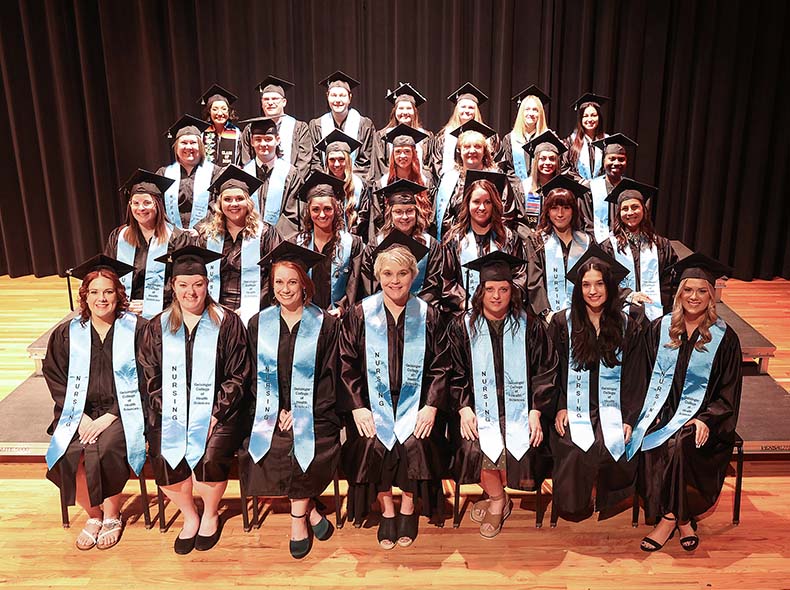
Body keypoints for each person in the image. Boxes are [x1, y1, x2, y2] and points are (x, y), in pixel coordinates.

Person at [338, 235, 450, 548]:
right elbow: (346, 364)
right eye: (387, 274)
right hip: (373, 403)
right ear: (378, 277)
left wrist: (430, 406)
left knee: (416, 440)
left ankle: (409, 507)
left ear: (414, 275)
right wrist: (358, 406)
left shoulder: (429, 315)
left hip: (416, 404)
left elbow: (442, 366)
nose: (394, 280)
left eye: (402, 273)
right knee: (371, 440)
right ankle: (387, 508)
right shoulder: (360, 314)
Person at [140, 246, 251, 554]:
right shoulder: (156, 328)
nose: (191, 291)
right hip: (171, 414)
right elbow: (150, 380)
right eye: (183, 284)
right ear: (173, 287)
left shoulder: (226, 322)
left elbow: (238, 375)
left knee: (212, 453)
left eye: (198, 284)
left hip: (222, 413)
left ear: (207, 284)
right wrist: (175, 413)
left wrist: (214, 413)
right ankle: (190, 515)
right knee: (163, 453)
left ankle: (211, 514)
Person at [627, 253, 741, 552]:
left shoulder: (724, 337)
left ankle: (668, 519)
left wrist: (707, 418)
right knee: (654, 437)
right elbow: (641, 377)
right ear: (679, 294)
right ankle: (684, 519)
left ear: (711, 295)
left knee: (681, 443)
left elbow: (728, 392)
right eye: (688, 290)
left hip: (704, 418)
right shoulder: (660, 329)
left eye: (702, 290)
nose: (694, 297)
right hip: (662, 409)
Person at [238, 242, 341, 559]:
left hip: (317, 412)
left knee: (302, 441)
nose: (285, 289)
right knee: (270, 443)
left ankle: (298, 520)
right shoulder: (259, 323)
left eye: (292, 282)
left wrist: (300, 411)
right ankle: (310, 512)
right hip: (270, 409)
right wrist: (276, 409)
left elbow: (330, 377)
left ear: (305, 284)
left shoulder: (326, 324)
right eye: (279, 282)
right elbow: (254, 375)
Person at [448, 251, 558, 538]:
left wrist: (536, 410)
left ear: (513, 291)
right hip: (478, 408)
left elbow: (546, 370)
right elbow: (454, 372)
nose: (497, 296)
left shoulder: (530, 325)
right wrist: (463, 408)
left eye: (504, 289)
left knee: (519, 439)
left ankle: (499, 497)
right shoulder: (462, 326)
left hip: (521, 408)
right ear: (480, 291)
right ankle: (498, 499)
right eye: (490, 289)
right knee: (473, 444)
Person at [43, 255, 146, 551]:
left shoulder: (138, 329)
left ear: (119, 295)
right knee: (68, 450)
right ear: (84, 296)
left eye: (108, 292)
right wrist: (79, 416)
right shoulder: (67, 334)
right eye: (95, 292)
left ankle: (112, 516)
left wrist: (111, 415)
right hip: (78, 412)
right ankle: (94, 515)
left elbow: (149, 375)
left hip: (124, 412)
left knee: (108, 447)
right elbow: (54, 375)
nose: (102, 299)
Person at [548, 246, 649, 522]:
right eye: (586, 285)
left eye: (599, 284)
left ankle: (606, 498)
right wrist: (559, 407)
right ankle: (575, 504)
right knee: (571, 444)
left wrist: (628, 416)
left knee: (612, 443)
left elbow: (635, 375)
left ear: (610, 286)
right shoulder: (562, 323)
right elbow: (552, 371)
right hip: (573, 405)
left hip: (613, 406)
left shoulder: (628, 325)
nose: (593, 291)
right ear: (578, 289)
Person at [194, 165, 282, 322]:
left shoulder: (265, 233)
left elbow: (275, 274)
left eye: (239, 199)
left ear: (248, 202)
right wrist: (209, 305)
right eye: (227, 199)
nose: (233, 204)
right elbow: (197, 274)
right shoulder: (208, 236)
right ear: (220, 204)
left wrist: (253, 307)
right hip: (213, 310)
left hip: (256, 312)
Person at [105, 169, 191, 319]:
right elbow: (108, 274)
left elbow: (183, 280)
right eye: (135, 203)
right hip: (124, 309)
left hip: (165, 311)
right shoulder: (119, 237)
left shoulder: (178, 238)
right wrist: (121, 302)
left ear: (157, 205)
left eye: (147, 203)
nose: (141, 208)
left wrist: (151, 303)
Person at [360, 182, 454, 311]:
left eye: (409, 211)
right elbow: (370, 283)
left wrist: (415, 310)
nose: (404, 217)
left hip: (420, 313)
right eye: (398, 212)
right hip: (383, 313)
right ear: (390, 214)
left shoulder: (430, 244)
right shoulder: (376, 244)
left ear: (416, 213)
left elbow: (433, 286)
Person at [443, 171, 527, 308]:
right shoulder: (453, 239)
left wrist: (501, 301)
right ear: (467, 203)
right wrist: (465, 303)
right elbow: (447, 281)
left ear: (494, 205)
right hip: (464, 313)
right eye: (476, 201)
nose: (482, 207)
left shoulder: (509, 238)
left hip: (503, 312)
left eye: (487, 202)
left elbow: (519, 277)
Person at [600, 179, 677, 321]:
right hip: (619, 313)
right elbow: (603, 280)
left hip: (656, 313)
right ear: (619, 213)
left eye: (635, 207)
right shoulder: (608, 246)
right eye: (625, 208)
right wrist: (628, 295)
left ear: (643, 209)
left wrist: (660, 301)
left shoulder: (661, 244)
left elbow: (670, 280)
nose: (630, 212)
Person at [433, 121, 521, 240]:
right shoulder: (449, 179)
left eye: (478, 146)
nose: (472, 151)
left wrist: (490, 237)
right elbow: (445, 217)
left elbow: (507, 212)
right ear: (459, 150)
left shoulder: (497, 176)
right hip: (458, 242)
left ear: (484, 151)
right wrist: (460, 238)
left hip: (492, 241)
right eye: (467, 147)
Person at [293, 171, 363, 316]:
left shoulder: (353, 244)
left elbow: (355, 284)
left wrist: (342, 308)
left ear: (336, 209)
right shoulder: (297, 244)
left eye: (327, 209)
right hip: (305, 317)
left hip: (339, 320)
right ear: (309, 212)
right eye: (316, 210)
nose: (322, 215)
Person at [524, 176, 592, 321]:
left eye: (566, 208)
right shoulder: (536, 241)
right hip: (547, 319)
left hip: (582, 318)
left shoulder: (586, 242)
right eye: (554, 208)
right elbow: (534, 281)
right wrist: (546, 313)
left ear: (574, 211)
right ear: (547, 211)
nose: (560, 214)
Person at [239, 116, 302, 238]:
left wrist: (272, 238)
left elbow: (293, 214)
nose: (263, 144)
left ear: (277, 140)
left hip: (280, 242)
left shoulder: (291, 173)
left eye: (268, 139)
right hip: (248, 238)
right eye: (258, 139)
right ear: (251, 141)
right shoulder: (244, 174)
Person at [241, 76, 312, 182]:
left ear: (284, 102)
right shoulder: (250, 129)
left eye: (274, 99)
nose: (270, 102)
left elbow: (304, 160)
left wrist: (291, 182)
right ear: (261, 103)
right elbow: (247, 159)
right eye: (266, 99)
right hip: (257, 184)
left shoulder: (299, 128)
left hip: (290, 185)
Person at [369, 124, 433, 240]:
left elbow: (432, 218)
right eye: (398, 151)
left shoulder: (426, 182)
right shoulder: (381, 184)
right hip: (389, 241)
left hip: (420, 240)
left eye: (407, 151)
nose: (402, 155)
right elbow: (377, 220)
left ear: (414, 154)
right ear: (392, 155)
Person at [309, 70, 376, 181]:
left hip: (356, 184)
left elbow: (366, 160)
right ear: (327, 97)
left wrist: (348, 179)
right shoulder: (316, 125)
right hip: (325, 184)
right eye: (334, 95)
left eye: (342, 96)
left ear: (349, 98)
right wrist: (327, 180)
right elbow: (315, 160)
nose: (338, 100)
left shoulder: (364, 125)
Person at [157, 115, 221, 230]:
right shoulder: (164, 173)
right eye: (184, 143)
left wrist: (199, 229)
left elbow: (218, 204)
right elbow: (158, 205)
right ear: (176, 147)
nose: (188, 147)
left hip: (205, 234)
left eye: (193, 142)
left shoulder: (215, 172)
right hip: (172, 236)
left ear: (201, 146)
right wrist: (171, 230)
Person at [427, 82, 501, 179]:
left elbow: (494, 161)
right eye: (463, 107)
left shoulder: (488, 135)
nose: (466, 110)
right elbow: (437, 163)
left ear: (476, 111)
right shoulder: (444, 136)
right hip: (452, 185)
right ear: (457, 109)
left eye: (471, 108)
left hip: (482, 182)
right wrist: (450, 181)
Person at [580, 133, 638, 242]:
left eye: (621, 159)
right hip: (595, 246)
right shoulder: (589, 188)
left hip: (627, 245)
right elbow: (585, 222)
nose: (616, 163)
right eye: (612, 159)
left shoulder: (632, 189)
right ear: (604, 160)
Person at [314, 129, 371, 237]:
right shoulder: (319, 186)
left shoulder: (359, 185)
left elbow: (364, 217)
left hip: (353, 242)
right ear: (326, 161)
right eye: (332, 159)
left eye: (341, 159)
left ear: (348, 161)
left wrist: (348, 239)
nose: (336, 164)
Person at [374, 83, 433, 178]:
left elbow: (430, 166)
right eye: (401, 108)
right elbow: (378, 166)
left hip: (419, 185)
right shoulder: (382, 136)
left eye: (409, 108)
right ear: (395, 111)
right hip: (390, 186)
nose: (405, 112)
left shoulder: (426, 136)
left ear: (415, 111)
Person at [496, 85, 550, 183]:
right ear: (521, 112)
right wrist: (521, 186)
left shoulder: (548, 138)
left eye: (535, 110)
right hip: (516, 192)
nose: (531, 113)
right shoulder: (510, 139)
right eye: (527, 109)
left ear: (540, 113)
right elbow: (505, 168)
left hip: (541, 189)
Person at [520, 130, 568, 230]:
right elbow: (519, 220)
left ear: (557, 162)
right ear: (536, 161)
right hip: (530, 238)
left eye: (552, 158)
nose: (547, 162)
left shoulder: (563, 188)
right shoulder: (524, 187)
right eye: (543, 158)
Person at [564, 93, 609, 181]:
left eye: (593, 115)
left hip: (602, 189)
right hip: (578, 188)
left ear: (599, 117)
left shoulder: (607, 140)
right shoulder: (571, 141)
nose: (590, 119)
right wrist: (581, 181)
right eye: (585, 116)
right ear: (581, 119)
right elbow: (564, 167)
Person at [199, 84, 242, 166]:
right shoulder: (202, 133)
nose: (219, 113)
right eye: (215, 109)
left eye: (224, 109)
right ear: (209, 111)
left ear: (229, 111)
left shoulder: (237, 134)